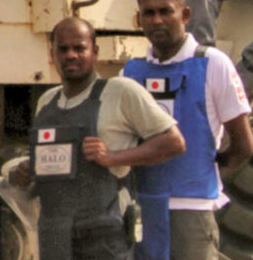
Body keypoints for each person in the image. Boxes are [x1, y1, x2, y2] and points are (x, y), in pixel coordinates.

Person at [10, 18, 184, 260]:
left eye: (79, 48)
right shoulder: (47, 102)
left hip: (103, 239)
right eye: (63, 49)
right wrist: (28, 171)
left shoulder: (121, 91)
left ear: (95, 51)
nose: (71, 55)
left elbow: (173, 142)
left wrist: (113, 157)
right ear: (52, 54)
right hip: (54, 238)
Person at [122, 0, 253, 260]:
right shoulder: (131, 73)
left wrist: (205, 173)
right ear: (139, 19)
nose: (157, 20)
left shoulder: (213, 64)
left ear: (184, 15)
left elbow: (244, 146)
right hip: (144, 207)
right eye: (149, 13)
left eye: (165, 11)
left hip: (192, 210)